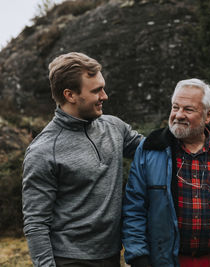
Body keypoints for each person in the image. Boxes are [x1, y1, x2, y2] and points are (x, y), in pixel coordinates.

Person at [22, 52, 143, 267]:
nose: (104, 96)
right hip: (69, 260)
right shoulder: (43, 150)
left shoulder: (115, 127)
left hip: (113, 255)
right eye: (96, 91)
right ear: (70, 95)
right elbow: (36, 223)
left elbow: (153, 149)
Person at [122, 78, 210, 267]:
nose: (178, 115)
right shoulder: (150, 149)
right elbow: (134, 209)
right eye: (175, 107)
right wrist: (139, 258)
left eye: (188, 109)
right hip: (165, 261)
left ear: (208, 115)